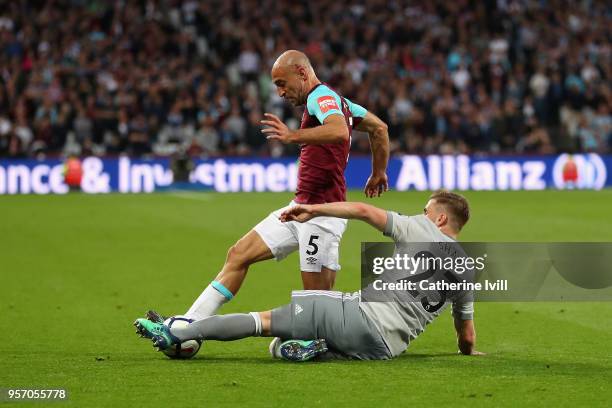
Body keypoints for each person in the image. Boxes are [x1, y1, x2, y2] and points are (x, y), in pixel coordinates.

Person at [154, 50, 390, 323]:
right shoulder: (339, 102)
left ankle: (348, 334)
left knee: (316, 302)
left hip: (323, 214)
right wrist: (379, 172)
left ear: (301, 73)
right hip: (299, 208)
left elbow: (338, 131)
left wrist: (293, 135)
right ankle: (187, 325)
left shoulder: (321, 97)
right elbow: (380, 128)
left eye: (281, 83)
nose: (279, 92)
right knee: (238, 255)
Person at [135, 191, 484, 361]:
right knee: (281, 349)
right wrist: (468, 353)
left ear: (439, 219)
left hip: (358, 315)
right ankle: (314, 351)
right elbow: (466, 336)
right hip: (385, 349)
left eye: (426, 210)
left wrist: (314, 209)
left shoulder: (418, 228)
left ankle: (179, 330)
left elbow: (363, 210)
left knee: (262, 323)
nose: (419, 214)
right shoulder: (468, 271)